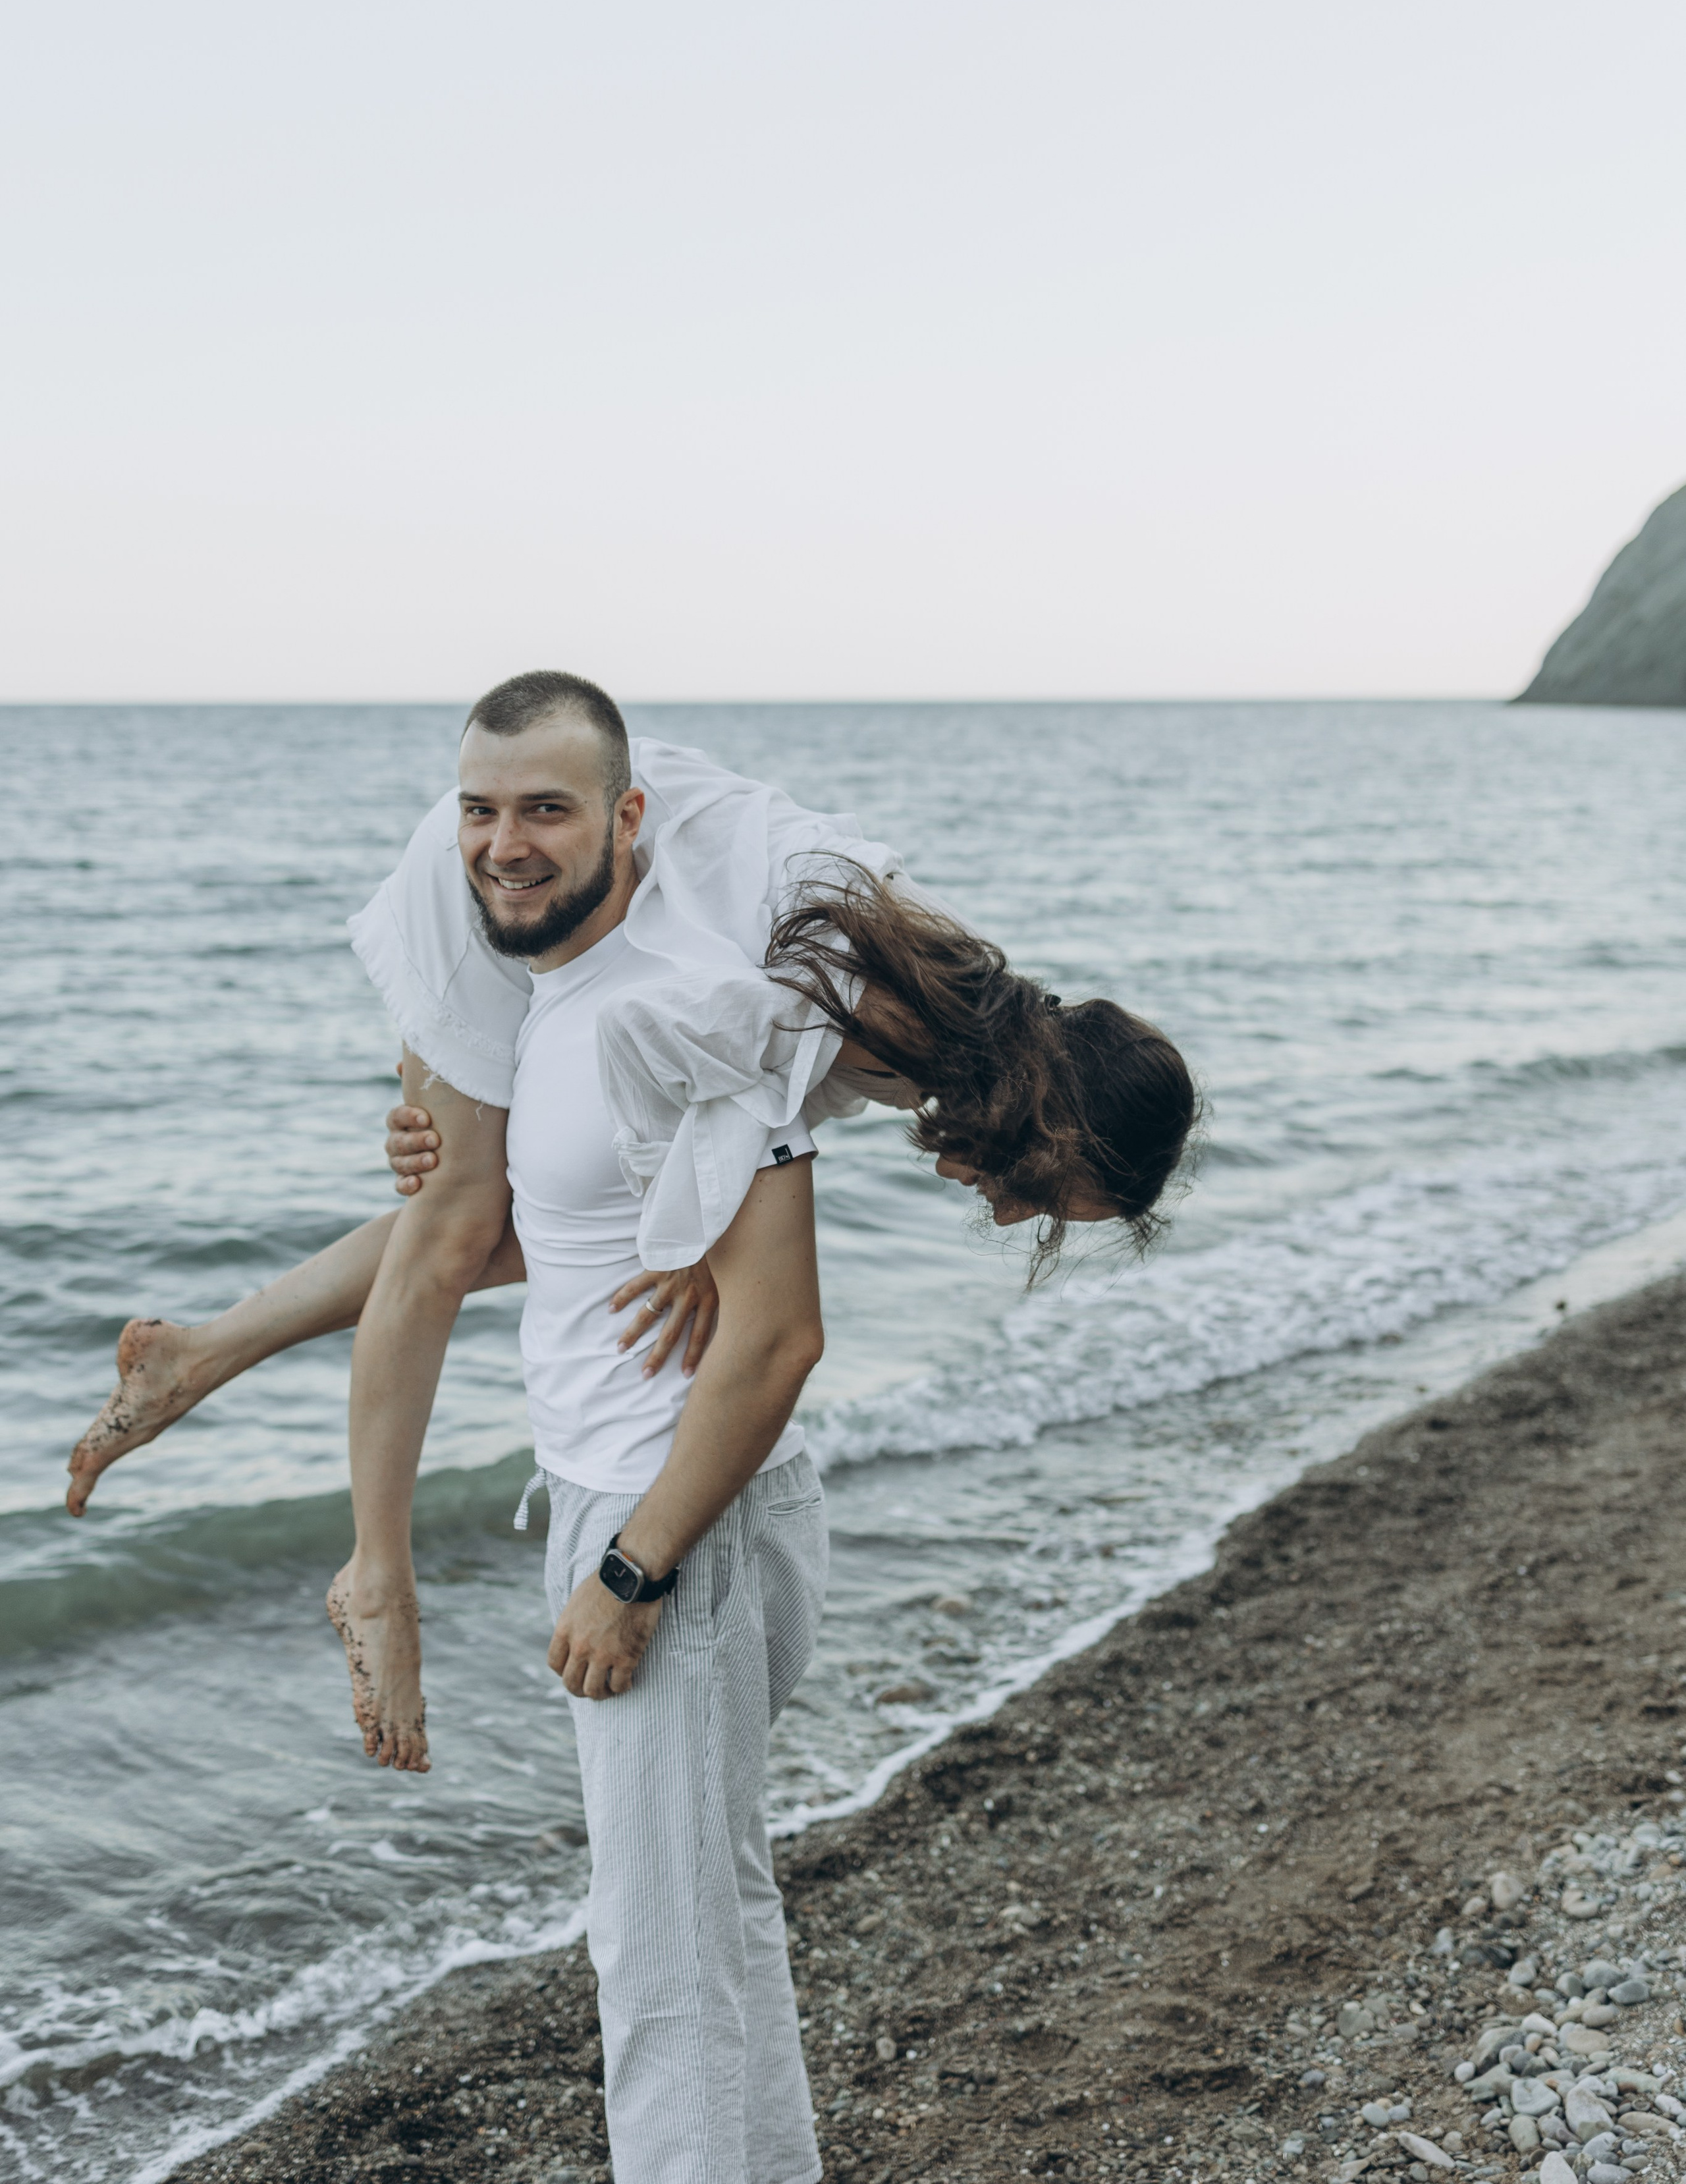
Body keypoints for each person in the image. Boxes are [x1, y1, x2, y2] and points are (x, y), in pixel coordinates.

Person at [67, 673, 1197, 1788]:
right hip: (547, 842)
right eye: (1043, 1194)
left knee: (540, 1225)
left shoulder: (957, 1021)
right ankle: (376, 1576)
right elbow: (739, 1085)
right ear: (1051, 1122)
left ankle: (199, 1354)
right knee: (458, 1218)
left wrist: (693, 1237)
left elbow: (718, 1124)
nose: (1007, 1211)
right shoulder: (881, 1003)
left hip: (586, 846)